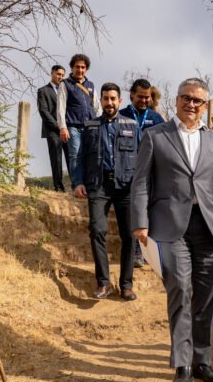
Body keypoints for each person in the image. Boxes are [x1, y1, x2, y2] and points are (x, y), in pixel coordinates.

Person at [131, 78, 213, 382]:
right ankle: (182, 365)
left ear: (205, 106)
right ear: (176, 100)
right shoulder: (155, 136)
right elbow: (141, 182)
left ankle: (202, 361)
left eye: (197, 100)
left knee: (208, 295)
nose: (191, 104)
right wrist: (140, 221)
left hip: (209, 226)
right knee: (180, 290)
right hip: (169, 227)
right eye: (186, 98)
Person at [73, 82, 139, 301]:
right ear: (99, 101)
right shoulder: (91, 125)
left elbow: (142, 158)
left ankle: (126, 285)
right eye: (105, 98)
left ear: (120, 101)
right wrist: (78, 181)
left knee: (129, 235)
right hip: (98, 186)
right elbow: (81, 157)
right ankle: (104, 283)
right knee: (97, 230)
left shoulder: (132, 125)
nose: (109, 103)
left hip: (126, 187)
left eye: (113, 98)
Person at [119, 78, 166, 267]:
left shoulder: (156, 118)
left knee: (149, 211)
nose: (144, 100)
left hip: (152, 171)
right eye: (140, 97)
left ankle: (149, 254)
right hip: (128, 171)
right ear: (131, 95)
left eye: (148, 97)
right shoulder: (121, 115)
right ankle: (136, 253)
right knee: (133, 211)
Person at [56, 53, 101, 189]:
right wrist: (62, 127)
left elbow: (97, 107)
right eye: (77, 67)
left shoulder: (91, 85)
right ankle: (77, 184)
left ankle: (89, 184)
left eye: (83, 67)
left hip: (91, 125)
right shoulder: (65, 84)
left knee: (91, 155)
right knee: (75, 155)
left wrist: (101, 124)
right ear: (71, 67)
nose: (80, 70)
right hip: (73, 125)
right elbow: (61, 106)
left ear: (86, 69)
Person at [37, 65, 69, 191]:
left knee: (71, 158)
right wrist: (59, 126)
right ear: (52, 73)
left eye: (62, 75)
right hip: (53, 130)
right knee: (56, 160)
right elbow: (43, 111)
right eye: (58, 74)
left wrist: (65, 127)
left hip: (67, 130)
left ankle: (75, 185)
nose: (60, 77)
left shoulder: (66, 90)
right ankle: (58, 187)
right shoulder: (43, 90)